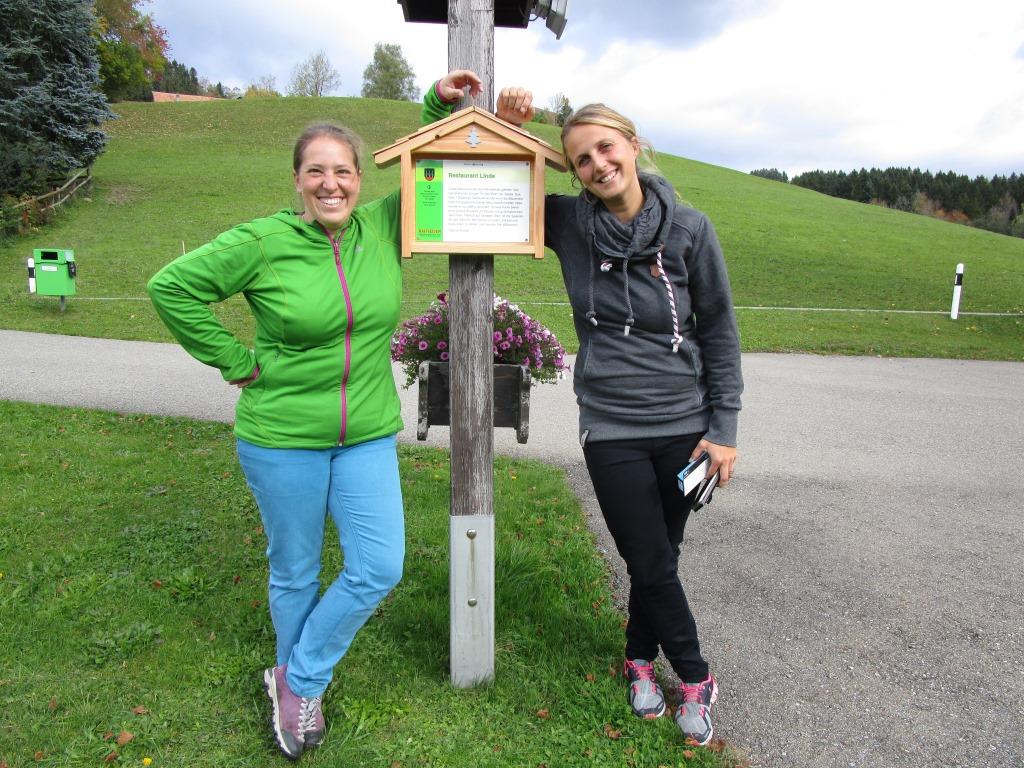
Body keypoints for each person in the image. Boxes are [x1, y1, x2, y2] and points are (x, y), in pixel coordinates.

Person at [146, 69, 483, 760]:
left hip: (365, 435)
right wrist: (236, 361)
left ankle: (296, 677)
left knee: (379, 565)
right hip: (281, 437)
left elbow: (423, 163)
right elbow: (170, 287)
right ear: (297, 181)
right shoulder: (261, 242)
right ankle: (301, 689)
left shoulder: (381, 226)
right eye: (316, 172)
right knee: (295, 570)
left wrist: (436, 104)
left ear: (360, 178)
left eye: (344, 172)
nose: (332, 184)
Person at [491, 88, 743, 746]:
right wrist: (505, 127)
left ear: (633, 146)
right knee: (648, 555)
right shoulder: (571, 225)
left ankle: (638, 660)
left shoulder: (690, 229)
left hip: (687, 428)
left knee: (660, 556)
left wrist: (723, 429)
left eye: (606, 148)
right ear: (573, 171)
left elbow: (719, 331)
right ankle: (695, 675)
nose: (598, 164)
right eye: (581, 159)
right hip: (611, 427)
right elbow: (494, 188)